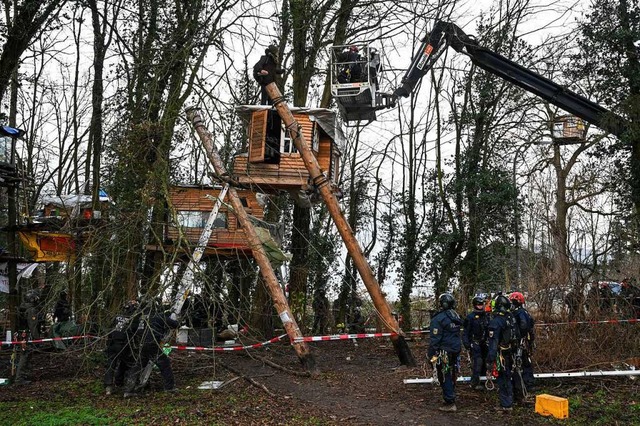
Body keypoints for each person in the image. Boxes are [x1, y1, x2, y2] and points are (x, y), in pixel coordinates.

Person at [124, 305, 180, 396]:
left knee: (138, 366)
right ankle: (169, 388)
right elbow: (175, 324)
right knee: (164, 364)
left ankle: (129, 390)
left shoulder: (142, 318)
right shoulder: (158, 316)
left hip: (142, 344)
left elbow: (134, 329)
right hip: (152, 344)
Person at [427, 293, 462, 412]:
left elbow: (435, 339)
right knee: (451, 374)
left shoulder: (439, 318)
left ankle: (449, 401)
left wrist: (431, 355)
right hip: (455, 350)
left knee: (444, 375)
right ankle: (450, 394)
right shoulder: (456, 317)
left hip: (444, 352)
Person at [104, 300, 140, 395]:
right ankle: (129, 390)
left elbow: (110, 329)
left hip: (112, 344)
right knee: (134, 364)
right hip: (124, 345)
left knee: (111, 364)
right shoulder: (134, 318)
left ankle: (109, 387)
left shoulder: (117, 316)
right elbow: (137, 332)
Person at [509, 291, 535, 399]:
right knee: (524, 361)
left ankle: (527, 383)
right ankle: (525, 382)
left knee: (523, 362)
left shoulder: (520, 313)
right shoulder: (523, 312)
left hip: (521, 342)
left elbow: (524, 326)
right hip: (524, 341)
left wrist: (518, 337)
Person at [14, 289, 43, 385]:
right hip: (26, 336)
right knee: (25, 356)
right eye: (35, 298)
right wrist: (37, 339)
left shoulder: (22, 307)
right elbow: (32, 326)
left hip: (22, 335)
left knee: (26, 355)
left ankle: (23, 375)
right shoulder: (31, 310)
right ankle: (19, 379)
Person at [463, 295, 489, 390]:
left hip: (485, 343)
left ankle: (482, 381)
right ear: (474, 305)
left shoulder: (486, 316)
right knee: (478, 362)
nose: (480, 306)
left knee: (485, 362)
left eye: (481, 304)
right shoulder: (470, 317)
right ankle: (475, 381)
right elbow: (466, 332)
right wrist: (467, 344)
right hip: (475, 342)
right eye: (478, 304)